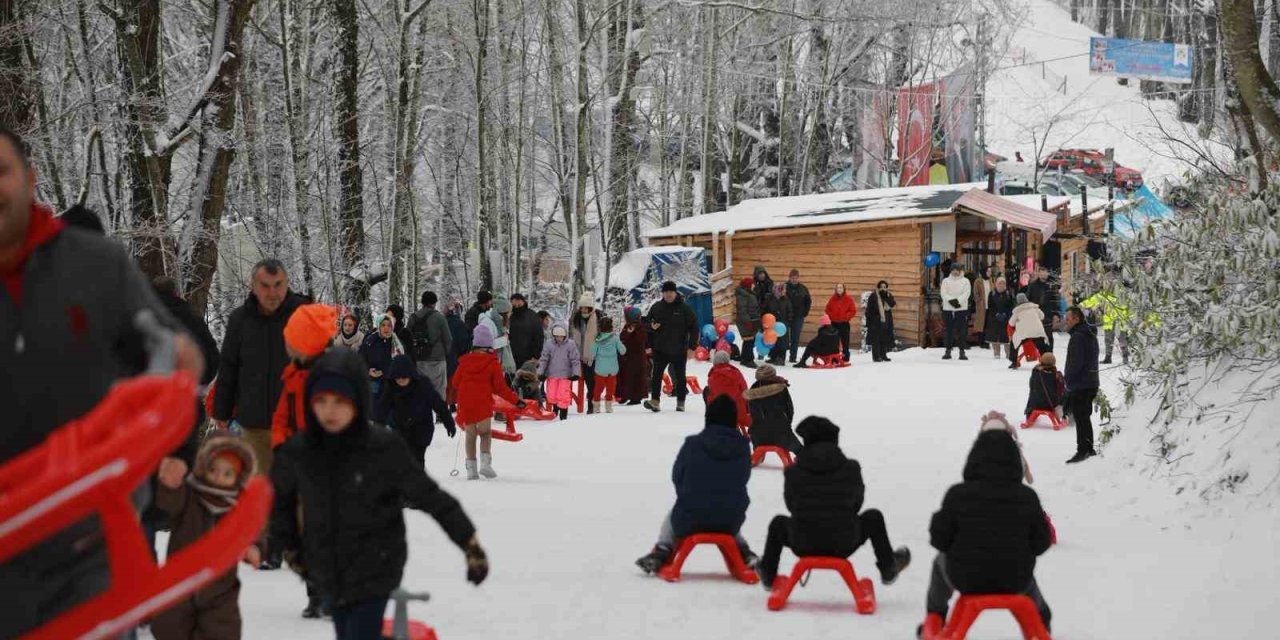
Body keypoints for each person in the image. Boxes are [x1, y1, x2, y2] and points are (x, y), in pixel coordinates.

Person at [0, 127, 205, 637]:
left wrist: (176, 363)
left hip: (89, 541)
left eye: (0, 171)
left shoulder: (99, 265)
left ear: (30, 179)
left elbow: (166, 347)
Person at [269, 349, 489, 640]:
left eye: (340, 402)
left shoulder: (382, 449)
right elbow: (279, 503)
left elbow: (431, 498)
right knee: (347, 632)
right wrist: (287, 548)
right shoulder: (302, 451)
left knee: (359, 632)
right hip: (327, 567)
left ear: (357, 402)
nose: (330, 411)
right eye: (321, 402)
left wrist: (469, 543)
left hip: (377, 564)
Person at [922, 428, 1052, 634]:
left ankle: (935, 616)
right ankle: (1041, 620)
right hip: (1015, 578)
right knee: (1023, 573)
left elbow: (939, 539)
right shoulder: (1027, 497)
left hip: (965, 578)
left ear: (974, 458)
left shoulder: (957, 495)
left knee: (939, 563)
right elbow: (1042, 542)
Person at [757, 416, 911, 589]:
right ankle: (888, 568)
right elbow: (857, 504)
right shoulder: (851, 468)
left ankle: (768, 574)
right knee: (873, 517)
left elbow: (791, 505)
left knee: (778, 523)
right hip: (844, 542)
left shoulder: (793, 472)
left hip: (802, 541)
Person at [150, 437, 261, 640]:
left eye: (227, 473)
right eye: (213, 470)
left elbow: (255, 530)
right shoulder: (189, 494)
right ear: (202, 468)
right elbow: (167, 506)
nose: (218, 476)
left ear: (238, 477)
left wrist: (254, 547)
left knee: (221, 631)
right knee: (170, 628)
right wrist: (169, 486)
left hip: (221, 589)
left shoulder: (239, 506)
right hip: (179, 582)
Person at [635, 396, 759, 574]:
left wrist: (687, 494)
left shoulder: (693, 444)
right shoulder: (742, 447)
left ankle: (662, 550)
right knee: (724, 510)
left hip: (690, 517)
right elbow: (743, 477)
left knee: (675, 515)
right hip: (730, 518)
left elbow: (678, 475)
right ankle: (745, 553)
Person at [213, 258, 308, 476]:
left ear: (287, 283)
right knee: (260, 495)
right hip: (255, 425)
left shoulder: (304, 314)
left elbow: (326, 365)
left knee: (299, 497)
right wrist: (222, 411)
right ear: (253, 286)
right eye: (265, 286)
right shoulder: (239, 320)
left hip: (298, 426)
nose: (272, 293)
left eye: (278, 285)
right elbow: (229, 366)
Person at [453, 325, 524, 478]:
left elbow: (455, 382)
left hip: (465, 401)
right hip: (482, 401)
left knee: (470, 435)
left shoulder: (464, 362)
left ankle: (471, 469)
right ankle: (485, 464)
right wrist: (516, 400)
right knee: (485, 433)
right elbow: (501, 388)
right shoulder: (492, 363)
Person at [271, 304, 339, 450]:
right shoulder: (293, 373)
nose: (286, 343)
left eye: (291, 338)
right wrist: (280, 443)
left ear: (305, 344)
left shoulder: (330, 378)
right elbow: (281, 417)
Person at [379, 355, 456, 466]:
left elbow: (438, 404)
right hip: (400, 428)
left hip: (422, 429)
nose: (400, 381)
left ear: (410, 375)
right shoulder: (391, 387)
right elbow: (382, 408)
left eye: (404, 378)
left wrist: (449, 422)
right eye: (397, 378)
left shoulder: (423, 385)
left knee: (416, 459)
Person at [643, 281, 698, 413]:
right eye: (666, 292)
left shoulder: (685, 308)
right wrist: (649, 340)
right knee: (656, 375)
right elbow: (645, 325)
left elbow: (694, 328)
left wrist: (692, 347)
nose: (668, 294)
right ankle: (655, 401)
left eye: (670, 292)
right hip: (660, 349)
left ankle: (680, 402)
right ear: (662, 293)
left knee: (680, 376)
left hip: (679, 349)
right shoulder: (656, 307)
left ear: (675, 293)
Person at [1063, 307, 1100, 464]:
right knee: (1084, 416)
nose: (1066, 321)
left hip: (1082, 383)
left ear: (1077, 319)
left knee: (1081, 417)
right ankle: (1088, 448)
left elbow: (1075, 363)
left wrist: (1068, 379)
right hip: (1090, 381)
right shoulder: (1088, 334)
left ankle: (1083, 450)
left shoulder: (1078, 336)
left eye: (1069, 318)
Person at [743, 363, 800, 453]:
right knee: (797, 447)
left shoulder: (753, 390)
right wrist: (787, 423)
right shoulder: (781, 388)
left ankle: (758, 452)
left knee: (756, 430)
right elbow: (790, 409)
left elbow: (752, 413)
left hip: (759, 435)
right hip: (781, 431)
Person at [407, 291, 452, 400]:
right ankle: (440, 414)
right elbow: (448, 339)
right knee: (440, 390)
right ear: (434, 302)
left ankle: (422, 413)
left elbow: (407, 338)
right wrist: (446, 353)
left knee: (421, 389)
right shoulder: (440, 317)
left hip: (419, 358)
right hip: (437, 358)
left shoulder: (413, 317)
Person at [358, 314, 404, 407]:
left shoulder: (397, 343)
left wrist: (386, 372)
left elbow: (402, 364)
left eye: (389, 325)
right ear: (378, 326)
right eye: (383, 325)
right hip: (374, 383)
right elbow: (359, 360)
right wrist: (368, 371)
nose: (386, 328)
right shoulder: (370, 341)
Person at [570, 293, 604, 412]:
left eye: (586, 307)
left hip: (593, 355)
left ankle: (592, 403)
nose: (583, 309)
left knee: (591, 381)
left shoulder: (598, 317)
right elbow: (573, 335)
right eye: (582, 307)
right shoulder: (576, 318)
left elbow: (602, 336)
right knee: (579, 380)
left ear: (590, 307)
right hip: (579, 354)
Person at [540, 325, 582, 420]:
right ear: (554, 336)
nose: (559, 338)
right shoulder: (549, 344)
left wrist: (576, 373)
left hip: (565, 375)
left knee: (563, 394)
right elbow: (544, 359)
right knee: (551, 394)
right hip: (552, 374)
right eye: (557, 336)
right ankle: (555, 409)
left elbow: (575, 359)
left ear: (565, 336)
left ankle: (563, 414)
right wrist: (541, 372)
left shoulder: (570, 344)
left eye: (561, 336)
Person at [704, 348, 750, 430]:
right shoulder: (736, 373)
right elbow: (745, 389)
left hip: (719, 413)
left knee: (707, 391)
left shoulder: (713, 376)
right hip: (739, 411)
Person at [1079, 289, 1129, 365]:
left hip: (1120, 323)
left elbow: (1127, 308)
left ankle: (1125, 358)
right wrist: (1082, 305)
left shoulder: (1122, 294)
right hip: (1109, 322)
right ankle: (1108, 358)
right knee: (1108, 341)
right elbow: (1092, 300)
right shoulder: (1104, 294)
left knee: (1122, 341)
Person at [589, 316, 626, 413]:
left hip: (600, 370)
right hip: (612, 370)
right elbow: (623, 351)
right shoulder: (615, 339)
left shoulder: (597, 339)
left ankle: (596, 407)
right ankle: (608, 407)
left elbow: (592, 353)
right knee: (611, 389)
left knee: (598, 389)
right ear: (611, 327)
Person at [617, 306, 650, 406]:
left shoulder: (641, 326)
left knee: (636, 378)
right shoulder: (628, 326)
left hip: (637, 358)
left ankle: (636, 398)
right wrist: (628, 332)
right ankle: (625, 395)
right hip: (627, 357)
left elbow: (641, 340)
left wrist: (631, 333)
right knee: (625, 377)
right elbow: (622, 337)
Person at [1009, 293, 1049, 369]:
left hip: (1023, 334)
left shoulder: (1017, 311)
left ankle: (1014, 362)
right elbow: (1042, 316)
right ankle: (1045, 362)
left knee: (1014, 344)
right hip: (1037, 332)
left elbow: (1011, 323)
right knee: (1042, 347)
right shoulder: (1034, 308)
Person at [940, 263, 972, 360]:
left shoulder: (965, 281)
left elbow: (967, 293)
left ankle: (962, 351)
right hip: (948, 309)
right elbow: (943, 293)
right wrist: (952, 301)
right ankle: (948, 350)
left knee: (962, 331)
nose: (955, 271)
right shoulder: (945, 281)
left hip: (961, 309)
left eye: (956, 270)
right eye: (953, 270)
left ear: (960, 270)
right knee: (948, 331)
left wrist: (958, 302)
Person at [1025, 266, 1060, 350]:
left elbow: (1055, 301)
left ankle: (1049, 354)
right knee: (1037, 336)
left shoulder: (1052, 285)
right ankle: (1039, 355)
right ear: (1038, 273)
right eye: (1041, 272)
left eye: (1045, 272)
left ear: (1047, 273)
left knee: (1048, 336)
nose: (1043, 274)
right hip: (1036, 315)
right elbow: (1028, 300)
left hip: (1048, 315)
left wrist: (1056, 314)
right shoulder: (1032, 286)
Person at [480, 298, 517, 375]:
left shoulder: (500, 323)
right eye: (508, 313)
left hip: (497, 364)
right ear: (502, 312)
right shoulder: (486, 323)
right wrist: (504, 340)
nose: (510, 315)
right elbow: (484, 345)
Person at [507, 293, 545, 370]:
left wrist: (536, 355)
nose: (516, 304)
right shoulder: (510, 316)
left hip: (528, 357)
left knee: (526, 379)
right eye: (514, 303)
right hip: (512, 357)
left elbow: (539, 336)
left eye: (518, 301)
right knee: (511, 380)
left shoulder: (532, 316)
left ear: (523, 301)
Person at [1027, 353, 1065, 421]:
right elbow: (1061, 390)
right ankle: (1065, 416)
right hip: (1050, 405)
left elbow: (1031, 386)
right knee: (1068, 396)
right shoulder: (1057, 376)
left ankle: (1029, 414)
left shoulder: (1035, 372)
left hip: (1034, 404)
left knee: (1033, 394)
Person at [865, 280, 896, 363]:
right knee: (876, 340)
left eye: (885, 287)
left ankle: (884, 355)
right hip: (876, 322)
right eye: (881, 287)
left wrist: (887, 297)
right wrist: (872, 319)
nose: (883, 288)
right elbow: (869, 309)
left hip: (886, 320)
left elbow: (893, 304)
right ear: (878, 287)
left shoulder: (888, 295)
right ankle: (876, 356)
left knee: (884, 338)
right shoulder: (874, 296)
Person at [824, 283, 858, 361]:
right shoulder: (832, 299)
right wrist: (831, 316)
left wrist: (846, 317)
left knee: (845, 342)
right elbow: (827, 309)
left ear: (843, 289)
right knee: (834, 342)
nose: (839, 289)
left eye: (841, 288)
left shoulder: (848, 299)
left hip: (844, 323)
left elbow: (853, 311)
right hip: (834, 323)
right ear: (836, 289)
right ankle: (834, 358)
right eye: (838, 288)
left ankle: (845, 358)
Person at [785, 269, 812, 364]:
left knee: (795, 338)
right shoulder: (784, 287)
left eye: (796, 278)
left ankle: (793, 357)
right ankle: (780, 356)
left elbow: (808, 301)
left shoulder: (803, 288)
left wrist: (805, 312)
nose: (794, 279)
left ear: (798, 278)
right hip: (786, 316)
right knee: (784, 337)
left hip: (798, 316)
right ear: (789, 278)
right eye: (792, 278)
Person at [985, 277, 1015, 360]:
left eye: (1003, 283)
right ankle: (996, 353)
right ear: (996, 284)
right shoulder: (992, 293)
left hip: (1006, 319)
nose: (1001, 285)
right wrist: (996, 314)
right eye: (999, 283)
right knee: (995, 336)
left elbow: (1012, 306)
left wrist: (1006, 314)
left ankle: (1008, 353)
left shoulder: (1009, 294)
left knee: (1007, 337)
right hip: (994, 319)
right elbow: (990, 306)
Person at [735, 277, 761, 368]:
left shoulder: (749, 294)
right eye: (752, 284)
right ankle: (748, 360)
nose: (754, 285)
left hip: (752, 320)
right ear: (748, 285)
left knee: (749, 340)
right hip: (746, 321)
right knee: (749, 340)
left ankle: (744, 358)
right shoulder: (743, 296)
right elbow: (742, 310)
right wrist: (748, 321)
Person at [764, 282, 792, 366]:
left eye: (781, 289)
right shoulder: (769, 299)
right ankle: (773, 357)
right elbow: (765, 309)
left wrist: (788, 322)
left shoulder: (786, 299)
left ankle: (781, 358)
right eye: (778, 289)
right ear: (774, 290)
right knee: (773, 340)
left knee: (782, 342)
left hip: (782, 325)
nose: (780, 291)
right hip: (772, 323)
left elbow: (790, 311)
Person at [973, 267, 992, 348]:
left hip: (990, 305)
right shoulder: (978, 281)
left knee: (988, 324)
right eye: (988, 271)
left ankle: (986, 341)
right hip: (982, 305)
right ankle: (981, 341)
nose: (990, 272)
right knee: (981, 324)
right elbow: (975, 292)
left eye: (990, 271)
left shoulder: (991, 280)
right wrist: (979, 300)